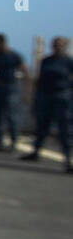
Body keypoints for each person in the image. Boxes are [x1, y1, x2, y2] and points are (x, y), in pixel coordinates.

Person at [20, 36, 73, 173]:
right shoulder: (46, 61)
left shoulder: (68, 62)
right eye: (55, 44)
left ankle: (68, 159)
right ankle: (36, 151)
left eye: (60, 45)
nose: (57, 47)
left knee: (65, 129)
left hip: (62, 97)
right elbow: (39, 80)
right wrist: (34, 97)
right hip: (46, 96)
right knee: (42, 125)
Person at [0, 32, 28, 151]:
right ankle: (0, 140)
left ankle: (13, 142)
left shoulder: (14, 56)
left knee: (11, 115)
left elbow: (25, 71)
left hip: (11, 87)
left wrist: (27, 89)